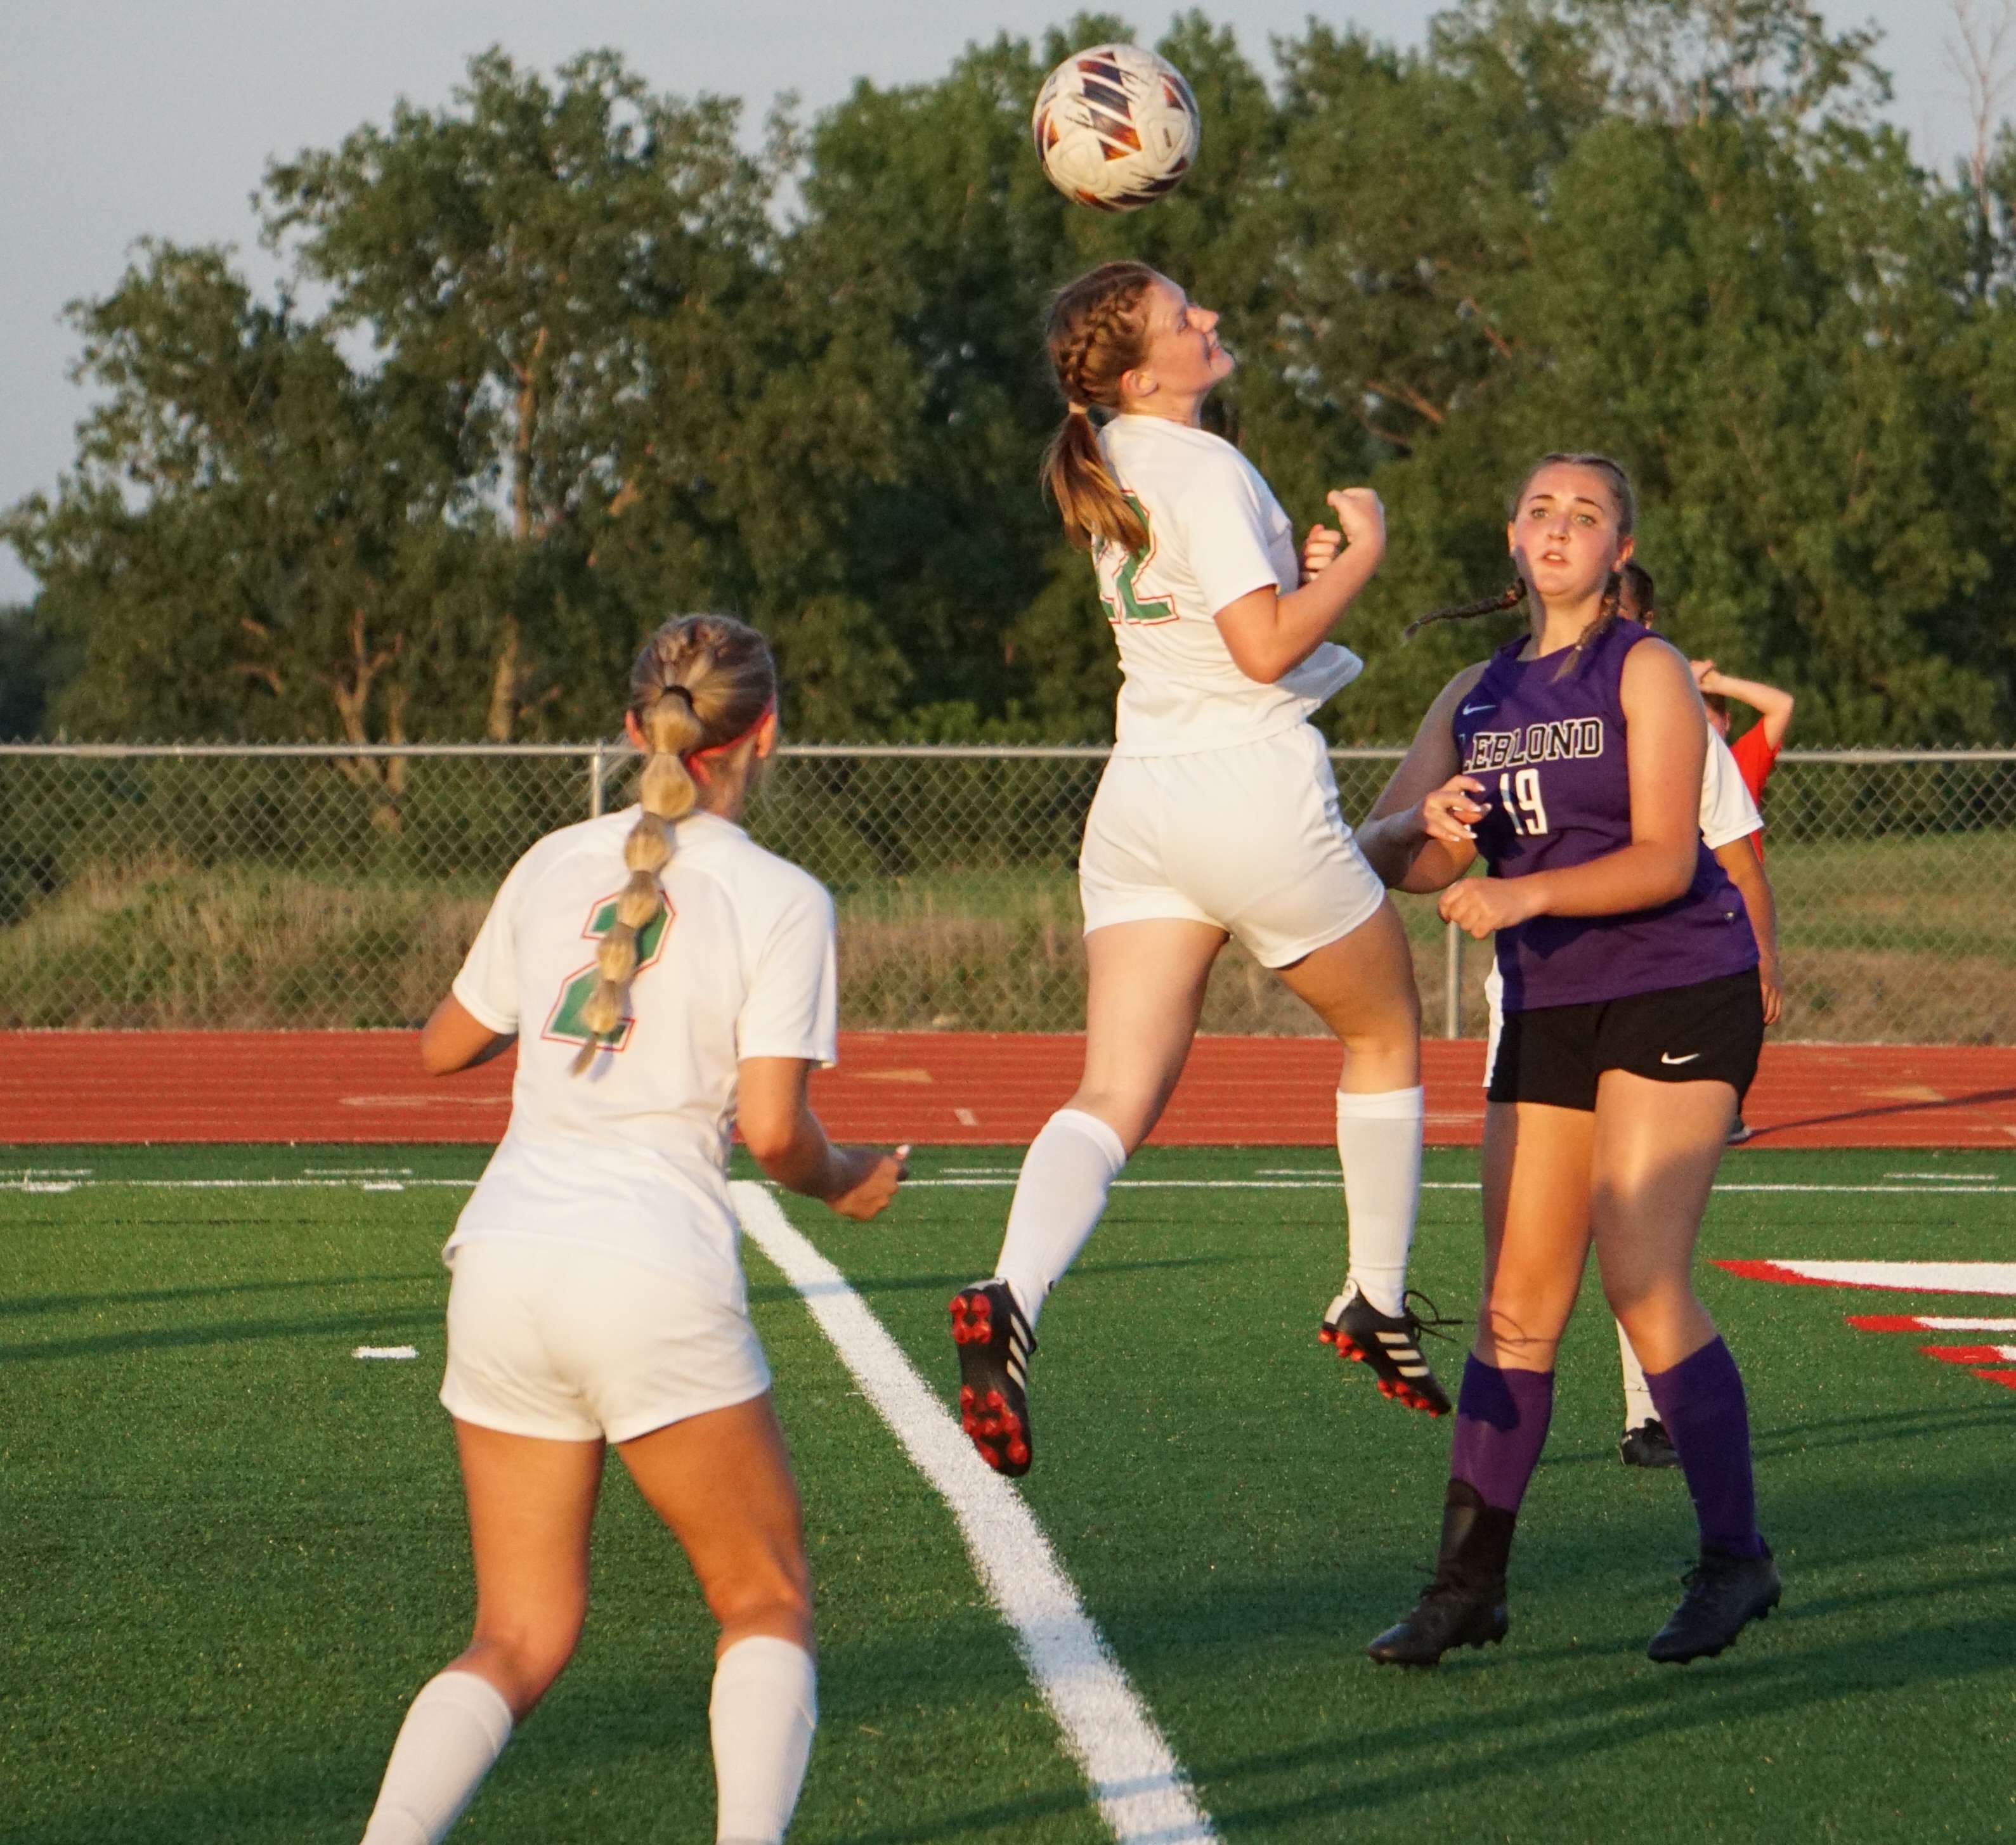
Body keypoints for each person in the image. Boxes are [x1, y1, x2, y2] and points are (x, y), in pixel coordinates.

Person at [354, 615, 906, 1845]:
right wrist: (853, 1179)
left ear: (628, 730)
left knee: (515, 1634)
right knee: (762, 1599)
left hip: (501, 1256)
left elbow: (444, 1046)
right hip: (649, 1262)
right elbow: (774, 1133)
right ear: (766, 734)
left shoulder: (554, 858)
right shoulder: (782, 898)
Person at [948, 259, 1441, 1481]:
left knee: (1112, 1091)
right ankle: (1373, 1296)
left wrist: (1305, 566)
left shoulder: (1116, 456)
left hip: (1141, 803)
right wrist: (1364, 551)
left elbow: (1234, 613)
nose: (1209, 319)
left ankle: (1013, 1290)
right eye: (1185, 317)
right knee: (1384, 1036)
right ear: (1137, 371)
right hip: (1246, 790)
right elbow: (1264, 647)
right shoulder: (1200, 462)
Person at [1353, 453, 1780, 1668]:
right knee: (1513, 1309)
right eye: (1540, 508)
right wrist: (1419, 827)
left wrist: (1517, 890)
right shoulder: (1473, 695)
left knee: (1643, 1283)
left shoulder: (1644, 669)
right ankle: (1465, 1586)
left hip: (1679, 986)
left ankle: (1737, 1558)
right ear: (1511, 537)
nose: (1559, 526)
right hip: (1553, 1005)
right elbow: (1385, 851)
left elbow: (1660, 857)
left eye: (1585, 514)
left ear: (1619, 549)